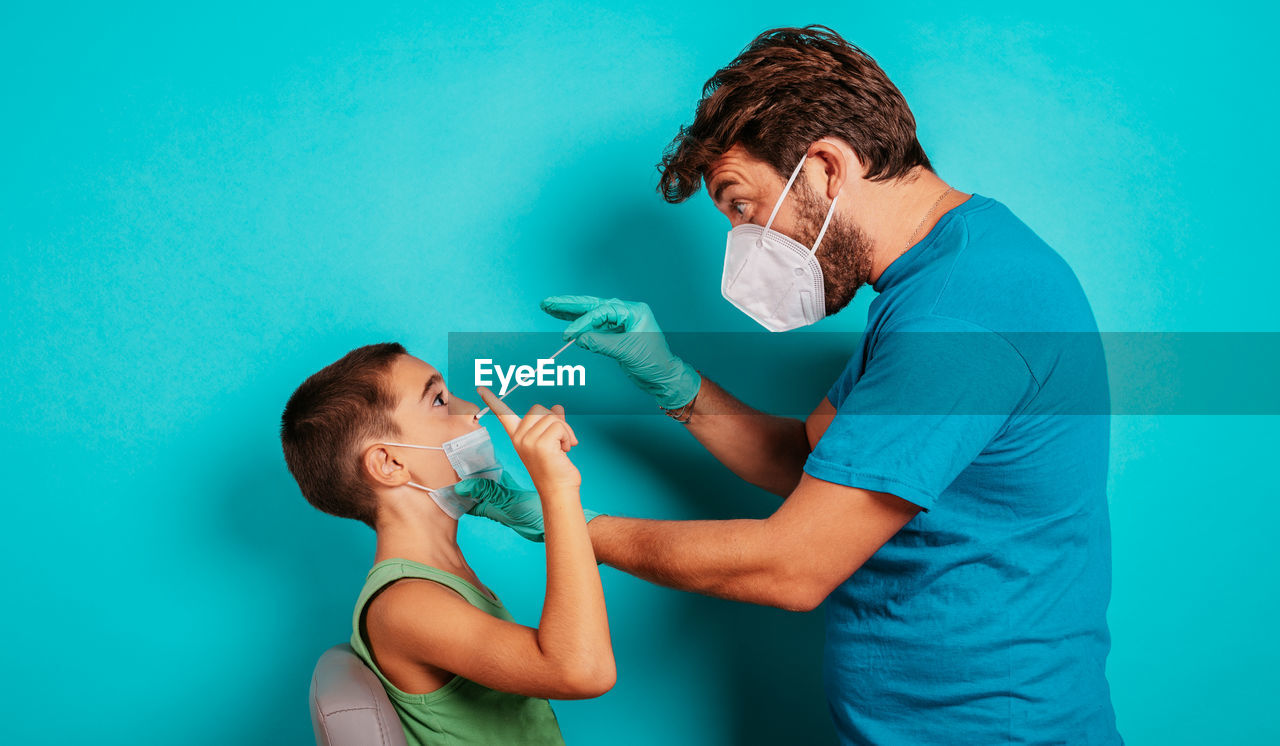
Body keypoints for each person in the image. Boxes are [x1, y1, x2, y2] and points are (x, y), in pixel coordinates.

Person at [473, 25, 1121, 744]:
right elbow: (808, 460)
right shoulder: (939, 279)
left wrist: (571, 529)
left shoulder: (959, 315)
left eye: (743, 205)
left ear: (824, 168)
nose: (743, 249)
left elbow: (793, 566)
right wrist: (668, 380)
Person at [280, 343, 614, 745]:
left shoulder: (439, 576)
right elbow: (582, 670)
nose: (471, 408)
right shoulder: (404, 605)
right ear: (389, 464)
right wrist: (558, 490)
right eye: (439, 399)